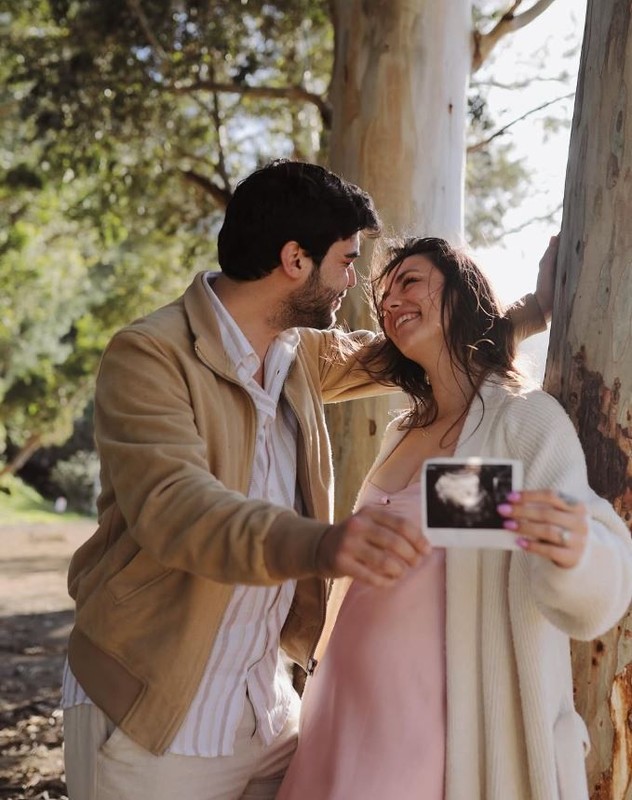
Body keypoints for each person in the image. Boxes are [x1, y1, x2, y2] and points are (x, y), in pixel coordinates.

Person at [60, 162, 550, 800]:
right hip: (152, 716)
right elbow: (175, 509)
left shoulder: (301, 355)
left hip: (272, 716)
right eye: (348, 261)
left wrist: (536, 310)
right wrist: (322, 544)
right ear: (295, 259)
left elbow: (419, 347)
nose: (359, 283)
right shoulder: (150, 355)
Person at [276, 237, 632, 800]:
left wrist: (577, 553)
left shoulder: (517, 421)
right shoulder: (402, 433)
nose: (391, 301)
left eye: (409, 282)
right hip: (337, 714)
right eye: (383, 295)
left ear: (461, 292)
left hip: (432, 737)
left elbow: (596, 567)